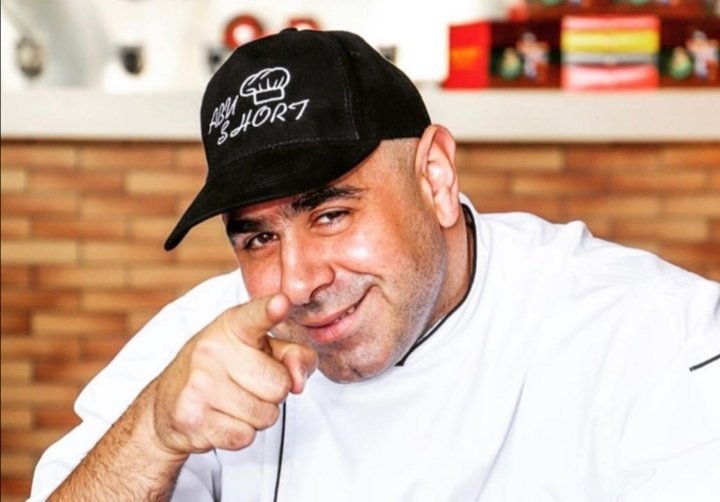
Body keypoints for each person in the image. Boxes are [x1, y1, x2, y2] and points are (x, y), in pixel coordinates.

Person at [29, 29, 719, 502]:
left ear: (435, 177)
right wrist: (153, 434)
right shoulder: (204, 346)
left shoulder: (653, 335)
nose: (299, 281)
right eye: (258, 238)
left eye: (331, 214)